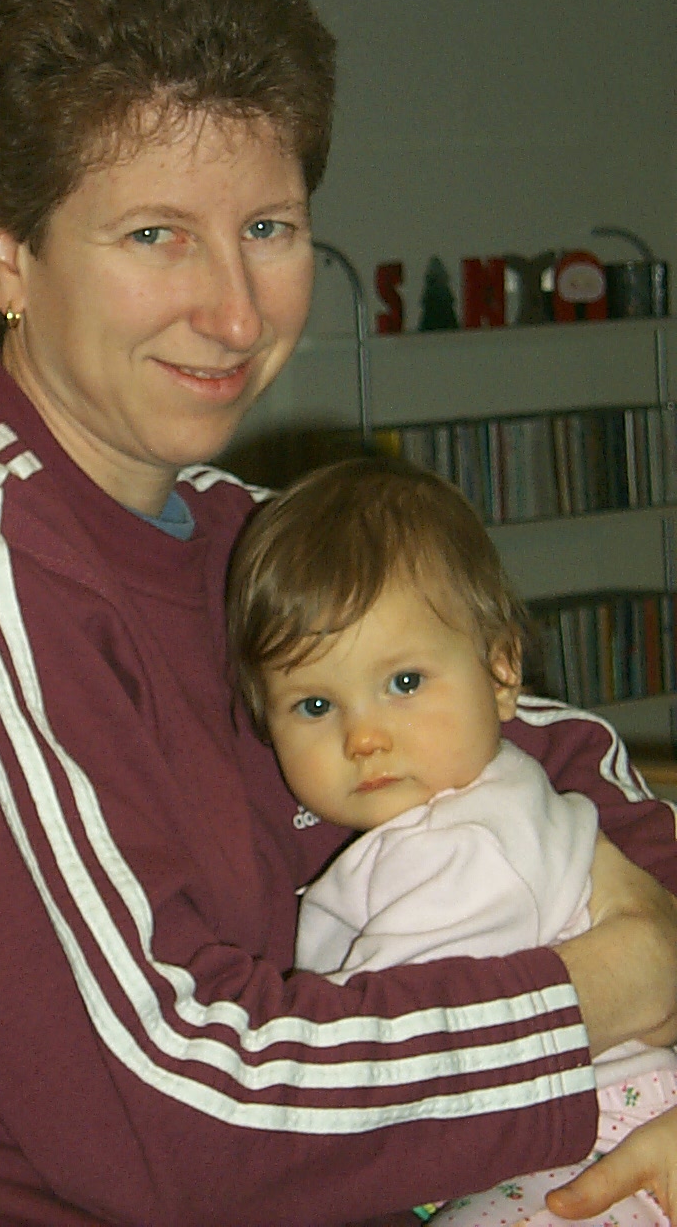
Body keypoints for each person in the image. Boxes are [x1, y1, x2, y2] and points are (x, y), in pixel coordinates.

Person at [0, 0, 677, 1227]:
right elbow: (179, 1123)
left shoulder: (238, 537)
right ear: (6, 251)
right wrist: (617, 985)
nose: (235, 311)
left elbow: (549, 758)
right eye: (155, 234)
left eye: (267, 226)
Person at [226, 452, 677, 1224]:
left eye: (404, 683)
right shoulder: (450, 813)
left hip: (604, 1130)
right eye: (314, 706)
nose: (364, 738)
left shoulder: (473, 841)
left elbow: (384, 1045)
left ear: (501, 675)